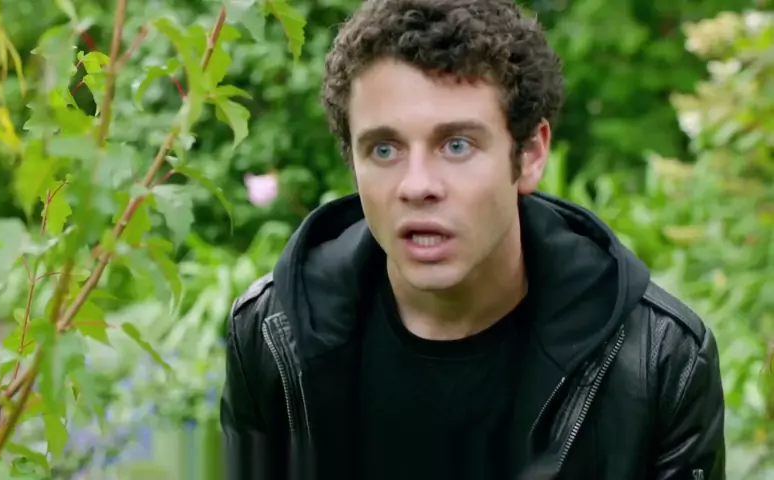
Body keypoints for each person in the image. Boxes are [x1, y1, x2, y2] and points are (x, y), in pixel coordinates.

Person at [219, 0, 727, 479]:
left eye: (456, 145)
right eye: (384, 149)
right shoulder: (271, 337)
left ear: (529, 154)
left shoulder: (659, 360)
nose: (417, 185)